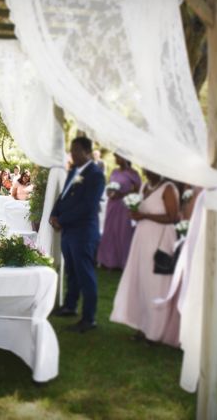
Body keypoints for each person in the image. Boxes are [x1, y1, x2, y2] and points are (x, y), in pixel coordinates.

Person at [110, 169, 181, 346]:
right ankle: (142, 326)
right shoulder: (145, 187)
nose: (146, 172)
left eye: (150, 169)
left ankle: (156, 333)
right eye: (145, 169)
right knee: (141, 284)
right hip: (142, 239)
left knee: (156, 286)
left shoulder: (168, 188)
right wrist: (135, 213)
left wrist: (145, 215)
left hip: (160, 240)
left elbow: (173, 217)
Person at [49, 137, 105, 333]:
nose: (72, 154)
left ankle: (89, 318)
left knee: (85, 275)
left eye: (76, 150)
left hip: (83, 232)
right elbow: (64, 195)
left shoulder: (95, 175)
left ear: (87, 152)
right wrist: (54, 213)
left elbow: (87, 206)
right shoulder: (73, 171)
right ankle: (70, 306)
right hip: (69, 231)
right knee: (72, 271)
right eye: (71, 150)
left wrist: (61, 220)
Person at [97, 154, 141, 269]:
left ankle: (122, 262)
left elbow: (138, 191)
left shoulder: (133, 174)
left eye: (118, 157)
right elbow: (109, 186)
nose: (116, 159)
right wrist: (109, 192)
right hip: (112, 204)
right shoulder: (114, 172)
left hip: (125, 206)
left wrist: (122, 194)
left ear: (125, 158)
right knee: (110, 231)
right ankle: (108, 261)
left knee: (123, 232)